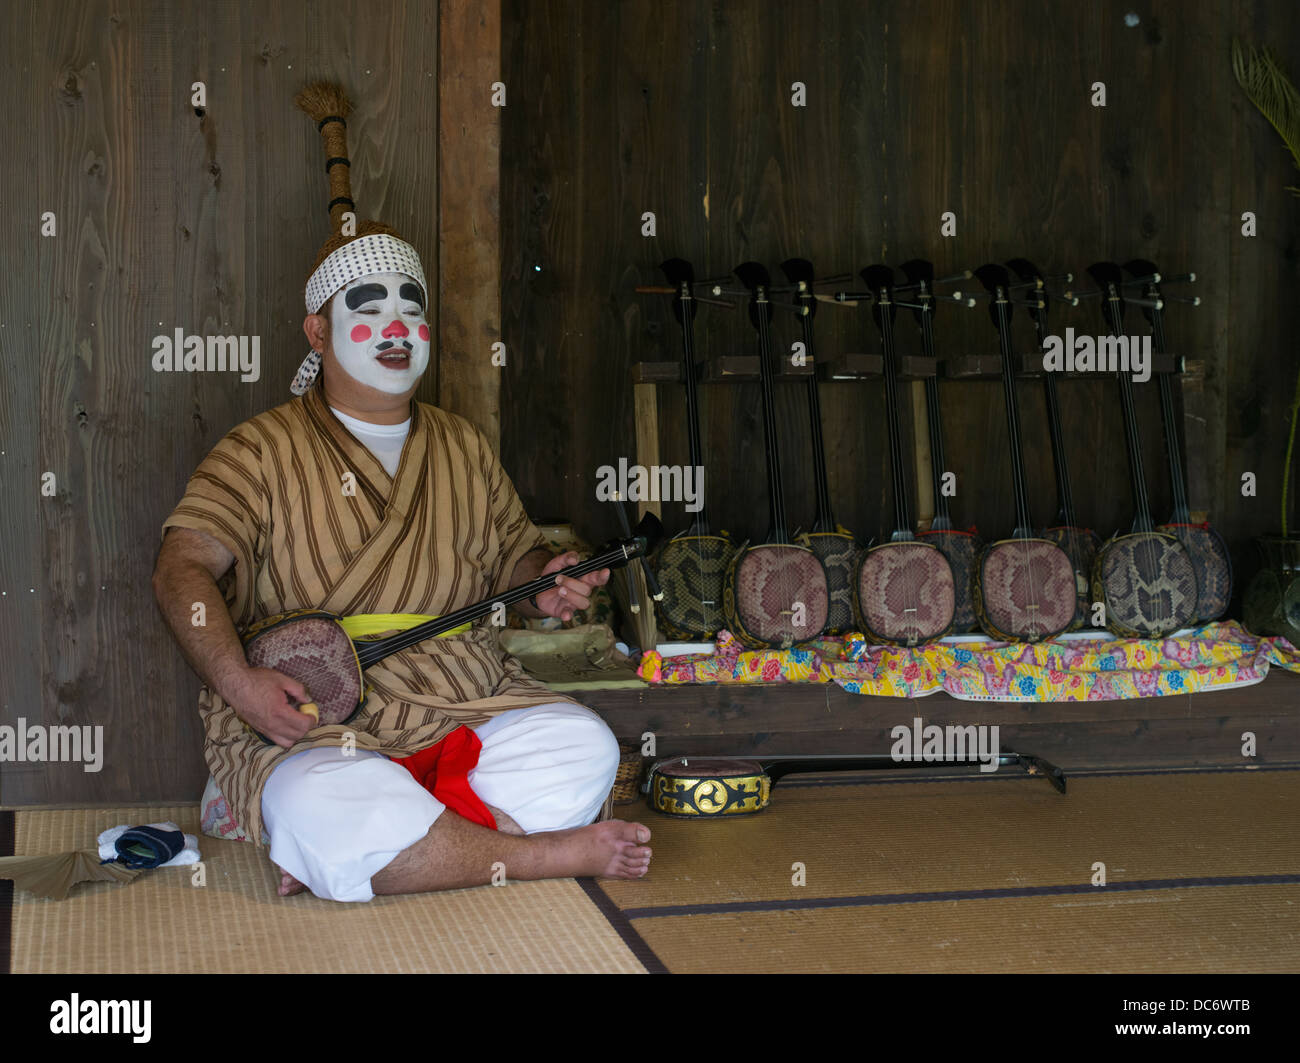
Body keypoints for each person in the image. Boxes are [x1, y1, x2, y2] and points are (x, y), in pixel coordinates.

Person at [150, 84, 651, 903]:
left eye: (410, 309)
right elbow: (181, 568)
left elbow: (513, 561)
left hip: (464, 693)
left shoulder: (460, 444)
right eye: (368, 306)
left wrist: (545, 581)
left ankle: (364, 852)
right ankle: (532, 853)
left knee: (582, 744)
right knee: (318, 790)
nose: (395, 326)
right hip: (320, 716)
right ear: (317, 330)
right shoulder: (259, 447)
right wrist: (238, 683)